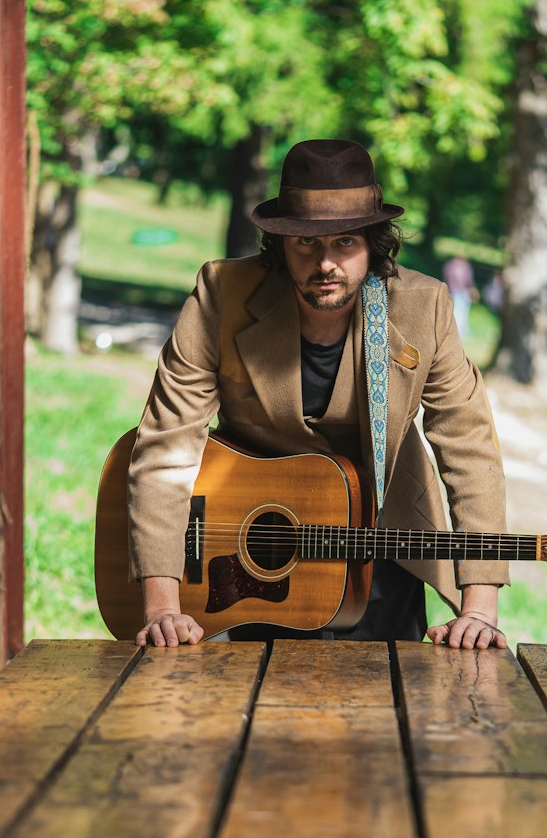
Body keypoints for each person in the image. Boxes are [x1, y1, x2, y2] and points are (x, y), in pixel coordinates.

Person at [127, 139, 509, 652]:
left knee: (385, 718)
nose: (325, 263)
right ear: (279, 244)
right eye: (306, 243)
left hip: (379, 549)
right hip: (248, 552)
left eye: (345, 242)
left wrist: (480, 609)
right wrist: (163, 606)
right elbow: (165, 446)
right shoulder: (223, 295)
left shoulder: (424, 308)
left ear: (374, 243)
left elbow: (470, 449)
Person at [442, 254, 478, 337]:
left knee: (456, 310)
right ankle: (458, 330)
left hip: (453, 291)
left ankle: (455, 329)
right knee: (461, 311)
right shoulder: (464, 267)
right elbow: (468, 280)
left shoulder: (450, 265)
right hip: (461, 292)